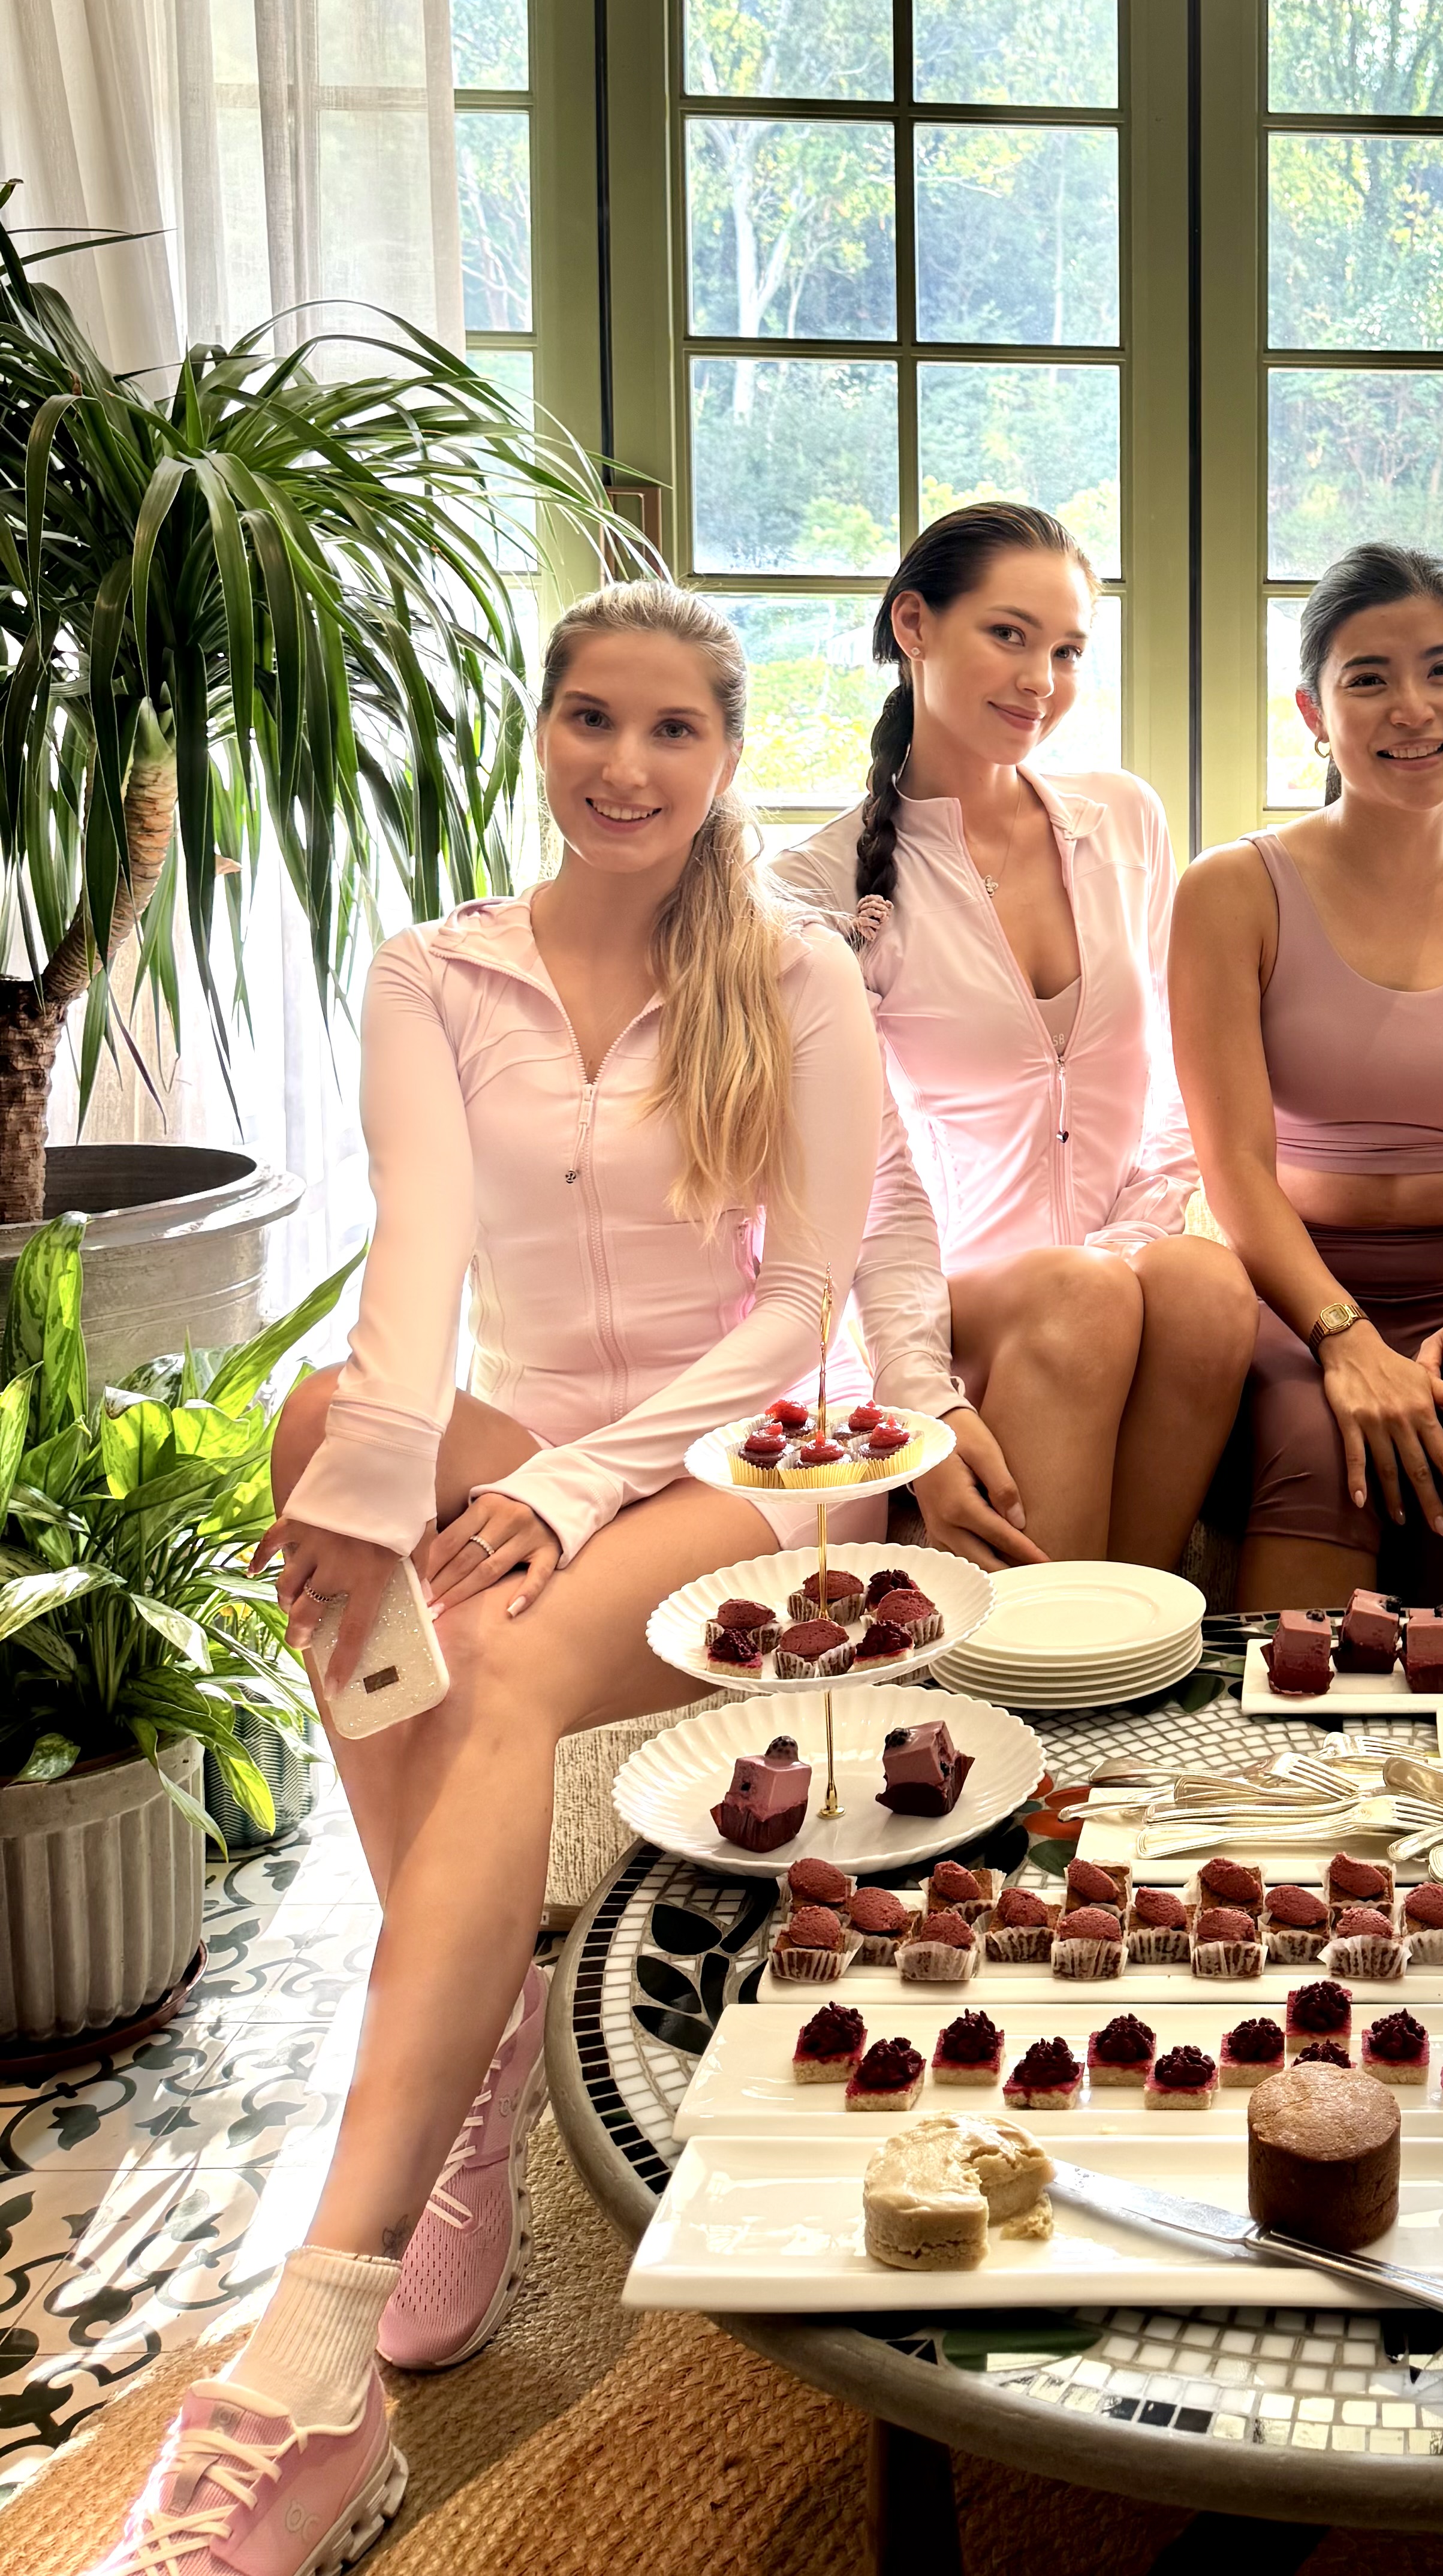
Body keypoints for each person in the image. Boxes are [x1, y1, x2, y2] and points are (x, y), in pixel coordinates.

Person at [86, 583, 884, 2576]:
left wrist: (578, 1484)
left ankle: (316, 2355)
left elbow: (801, 1305)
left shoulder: (795, 972)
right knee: (319, 1437)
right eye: (590, 718)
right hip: (523, 1434)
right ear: (542, 734)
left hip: (746, 1467)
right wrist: (376, 1468)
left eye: (673, 729)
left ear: (726, 756)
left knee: (500, 1658)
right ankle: (477, 2036)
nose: (625, 763)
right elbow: (421, 1257)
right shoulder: (434, 973)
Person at [773, 501, 1254, 1572]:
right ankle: (1052, 1648)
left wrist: (1124, 1248)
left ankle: (1117, 1632)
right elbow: (865, 1175)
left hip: (1113, 1279)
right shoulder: (814, 885)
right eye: (1009, 635)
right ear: (914, 626)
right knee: (1082, 1297)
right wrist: (921, 1392)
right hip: (938, 1309)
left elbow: (1185, 1078)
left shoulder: (1125, 819)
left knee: (1206, 1284)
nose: (1042, 679)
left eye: (1068, 651)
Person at [1170, 544, 1443, 1609]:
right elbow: (1235, 1166)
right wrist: (1342, 1336)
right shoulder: (1231, 894)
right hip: (1294, 1296)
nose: (1413, 707)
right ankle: (1282, 1727)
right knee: (1323, 1451)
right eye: (1369, 679)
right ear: (1314, 712)